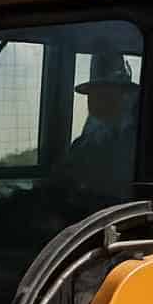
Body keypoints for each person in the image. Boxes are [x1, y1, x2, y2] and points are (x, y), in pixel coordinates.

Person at [50, 50, 139, 203]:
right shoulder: (82, 144)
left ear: (125, 96)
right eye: (93, 94)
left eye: (104, 94)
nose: (94, 101)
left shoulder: (134, 144)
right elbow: (59, 182)